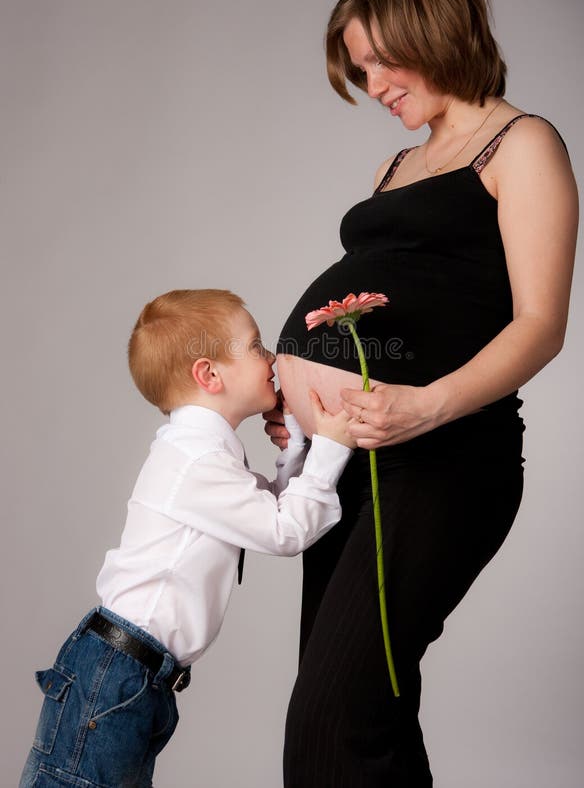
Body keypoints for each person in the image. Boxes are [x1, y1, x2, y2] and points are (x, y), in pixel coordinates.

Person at [265, 0, 579, 786]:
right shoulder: (396, 167)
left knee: (333, 724)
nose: (373, 87)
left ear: (432, 29)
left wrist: (426, 406)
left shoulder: (522, 144)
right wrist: (297, 391)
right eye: (360, 71)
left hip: (444, 461)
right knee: (372, 718)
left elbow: (540, 325)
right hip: (352, 463)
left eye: (379, 61)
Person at [20, 289, 355, 788]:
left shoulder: (199, 451)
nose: (270, 359)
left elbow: (269, 509)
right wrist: (333, 445)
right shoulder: (196, 460)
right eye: (257, 345)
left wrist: (300, 448)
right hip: (115, 677)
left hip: (129, 675)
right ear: (210, 375)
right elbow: (285, 531)